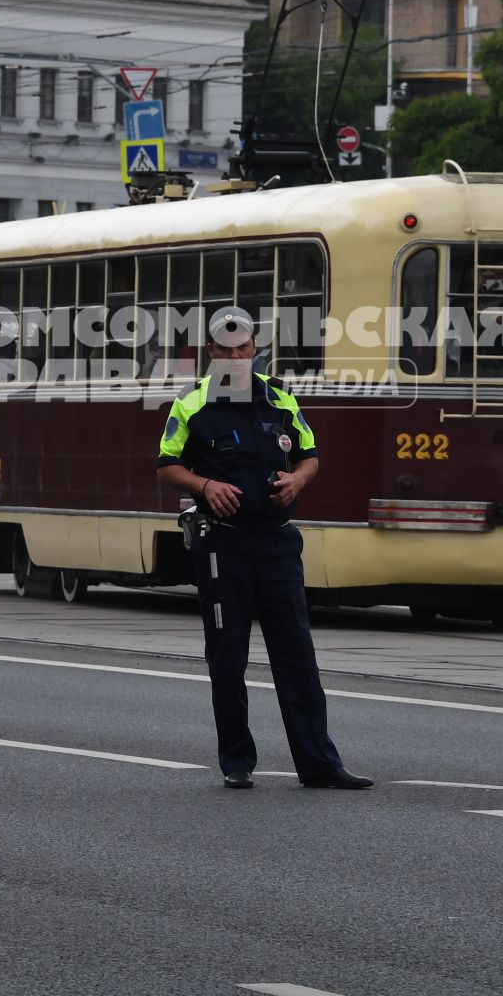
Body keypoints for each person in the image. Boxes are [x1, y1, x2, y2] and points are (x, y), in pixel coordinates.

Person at [155, 306, 371, 792]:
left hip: (276, 544)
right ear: (210, 351)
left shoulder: (281, 398)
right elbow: (166, 467)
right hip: (221, 545)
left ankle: (318, 763)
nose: (234, 355)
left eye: (243, 346)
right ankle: (237, 761)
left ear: (255, 348)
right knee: (228, 656)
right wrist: (205, 484)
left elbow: (310, 456)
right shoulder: (190, 403)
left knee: (296, 654)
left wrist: (297, 479)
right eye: (224, 348)